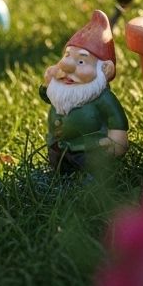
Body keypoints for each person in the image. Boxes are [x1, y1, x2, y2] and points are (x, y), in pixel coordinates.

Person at [40, 9, 129, 173]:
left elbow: (116, 120)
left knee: (88, 174)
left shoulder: (102, 98)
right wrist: (48, 84)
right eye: (67, 56)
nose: (66, 66)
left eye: (81, 61)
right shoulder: (62, 89)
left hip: (89, 150)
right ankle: (58, 173)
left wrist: (117, 141)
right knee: (59, 172)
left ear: (105, 69)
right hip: (57, 146)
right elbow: (49, 97)